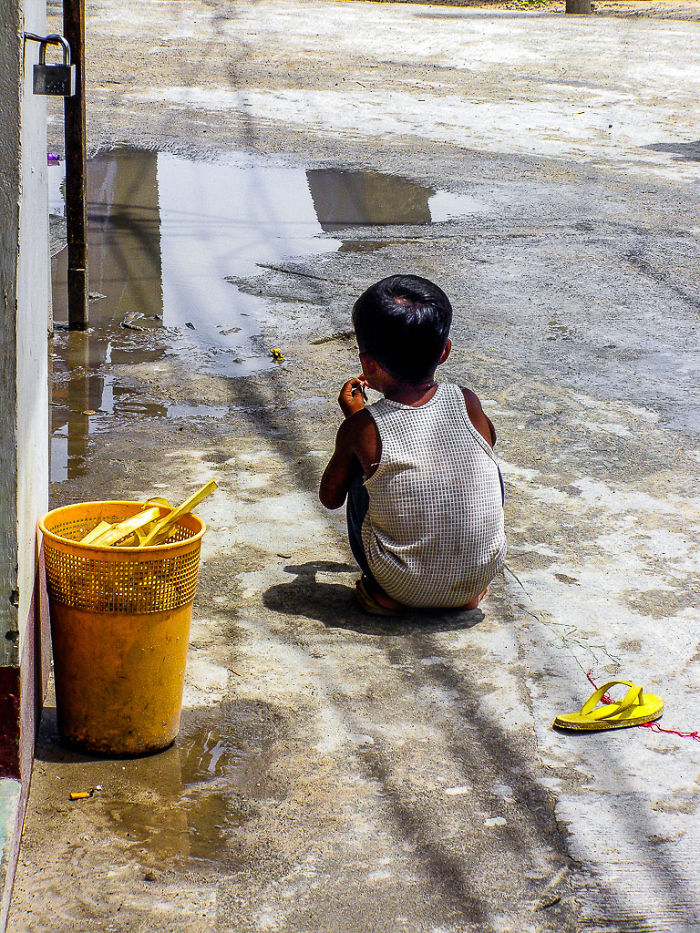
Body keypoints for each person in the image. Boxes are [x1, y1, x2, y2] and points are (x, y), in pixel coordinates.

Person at [319, 274, 506, 615]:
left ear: (368, 365)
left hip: (399, 585)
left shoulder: (363, 426)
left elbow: (330, 498)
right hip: (478, 578)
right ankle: (461, 585)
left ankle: (383, 593)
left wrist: (354, 423)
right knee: (483, 457)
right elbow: (489, 440)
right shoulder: (466, 401)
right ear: (445, 351)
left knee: (365, 472)